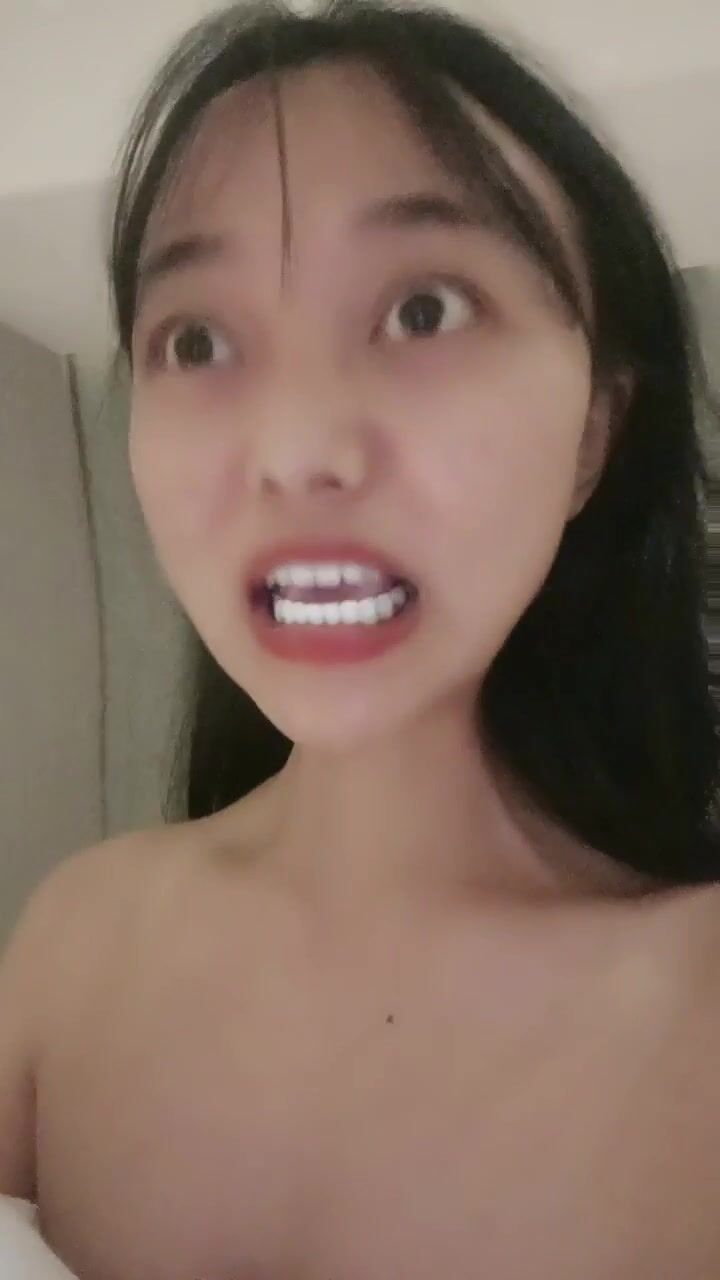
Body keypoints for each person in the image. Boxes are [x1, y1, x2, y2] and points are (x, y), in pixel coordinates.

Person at [1, 0, 719, 1276]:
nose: (293, 449)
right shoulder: (70, 944)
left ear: (594, 431)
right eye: (196, 339)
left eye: (425, 310)